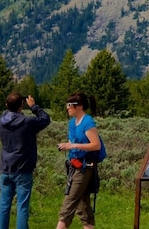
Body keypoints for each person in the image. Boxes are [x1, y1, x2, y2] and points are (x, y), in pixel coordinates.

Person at [0, 92, 51, 229]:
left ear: (7, 106)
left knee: (4, 206)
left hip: (6, 169)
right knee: (22, 206)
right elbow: (45, 119)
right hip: (23, 169)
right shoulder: (27, 122)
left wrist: (8, 109)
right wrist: (34, 107)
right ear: (22, 105)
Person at [56, 92, 101, 229]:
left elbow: (96, 145)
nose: (67, 108)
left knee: (68, 203)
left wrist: (72, 146)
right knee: (83, 206)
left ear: (79, 106)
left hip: (84, 167)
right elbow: (73, 141)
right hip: (74, 166)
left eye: (70, 105)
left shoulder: (87, 122)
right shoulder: (72, 123)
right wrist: (67, 146)